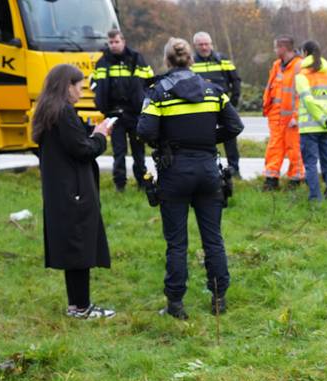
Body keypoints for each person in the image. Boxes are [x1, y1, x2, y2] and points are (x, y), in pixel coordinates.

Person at [138, 37, 243, 320]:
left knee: (177, 243)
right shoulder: (213, 90)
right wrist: (209, 139)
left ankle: (175, 304)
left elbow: (145, 131)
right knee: (213, 239)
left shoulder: (158, 92)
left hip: (175, 173)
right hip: (209, 171)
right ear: (191, 60)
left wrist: (169, 143)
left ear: (167, 61)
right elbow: (235, 125)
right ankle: (219, 299)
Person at [33, 64, 115, 319]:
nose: (81, 92)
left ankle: (74, 305)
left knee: (71, 245)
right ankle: (82, 307)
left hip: (60, 190)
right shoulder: (64, 112)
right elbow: (83, 150)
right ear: (67, 86)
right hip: (74, 190)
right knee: (80, 245)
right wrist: (101, 136)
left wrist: (89, 133)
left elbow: (70, 143)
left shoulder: (47, 111)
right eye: (79, 87)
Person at [91, 29, 155, 191]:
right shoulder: (103, 62)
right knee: (118, 152)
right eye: (110, 42)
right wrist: (100, 102)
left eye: (116, 42)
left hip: (134, 113)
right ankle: (120, 184)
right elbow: (94, 84)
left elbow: (149, 81)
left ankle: (142, 182)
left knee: (138, 151)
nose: (113, 45)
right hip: (114, 113)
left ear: (123, 42)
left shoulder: (136, 59)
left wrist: (144, 102)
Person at [295, 40, 327, 202]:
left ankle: (315, 198)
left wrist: (322, 119)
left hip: (309, 129)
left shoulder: (302, 77)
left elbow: (308, 102)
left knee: (310, 164)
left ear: (305, 53)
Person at [191, 31, 242, 178]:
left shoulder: (222, 60)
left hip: (223, 107)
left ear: (211, 44)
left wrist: (233, 102)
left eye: (207, 44)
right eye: (201, 44)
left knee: (230, 139)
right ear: (195, 46)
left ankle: (235, 170)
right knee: (205, 140)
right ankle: (209, 171)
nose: (204, 47)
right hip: (202, 109)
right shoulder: (191, 62)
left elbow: (236, 80)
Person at [262, 36, 304, 190]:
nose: (274, 51)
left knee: (295, 149)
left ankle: (295, 180)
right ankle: (271, 180)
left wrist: (296, 116)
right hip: (276, 116)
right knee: (274, 148)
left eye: (276, 48)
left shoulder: (299, 66)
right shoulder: (277, 65)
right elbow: (271, 88)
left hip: (292, 118)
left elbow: (302, 95)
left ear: (283, 48)